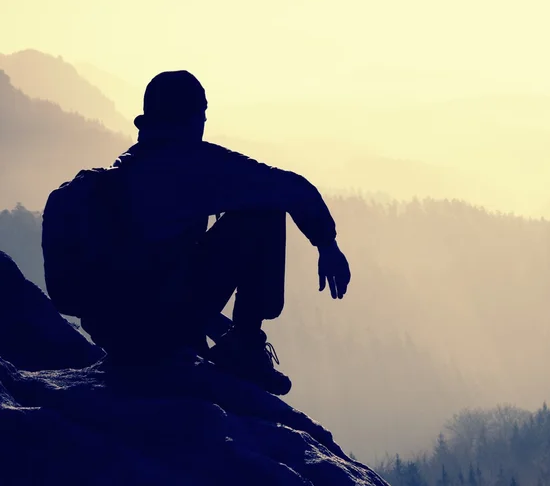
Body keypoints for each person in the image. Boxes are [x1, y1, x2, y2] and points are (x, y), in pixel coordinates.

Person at [73, 70, 351, 396]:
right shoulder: (192, 165)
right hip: (159, 329)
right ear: (190, 119)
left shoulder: (125, 169)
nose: (204, 124)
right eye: (202, 115)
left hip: (117, 332)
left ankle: (197, 343)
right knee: (265, 211)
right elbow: (290, 188)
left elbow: (152, 267)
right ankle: (245, 347)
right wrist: (327, 244)